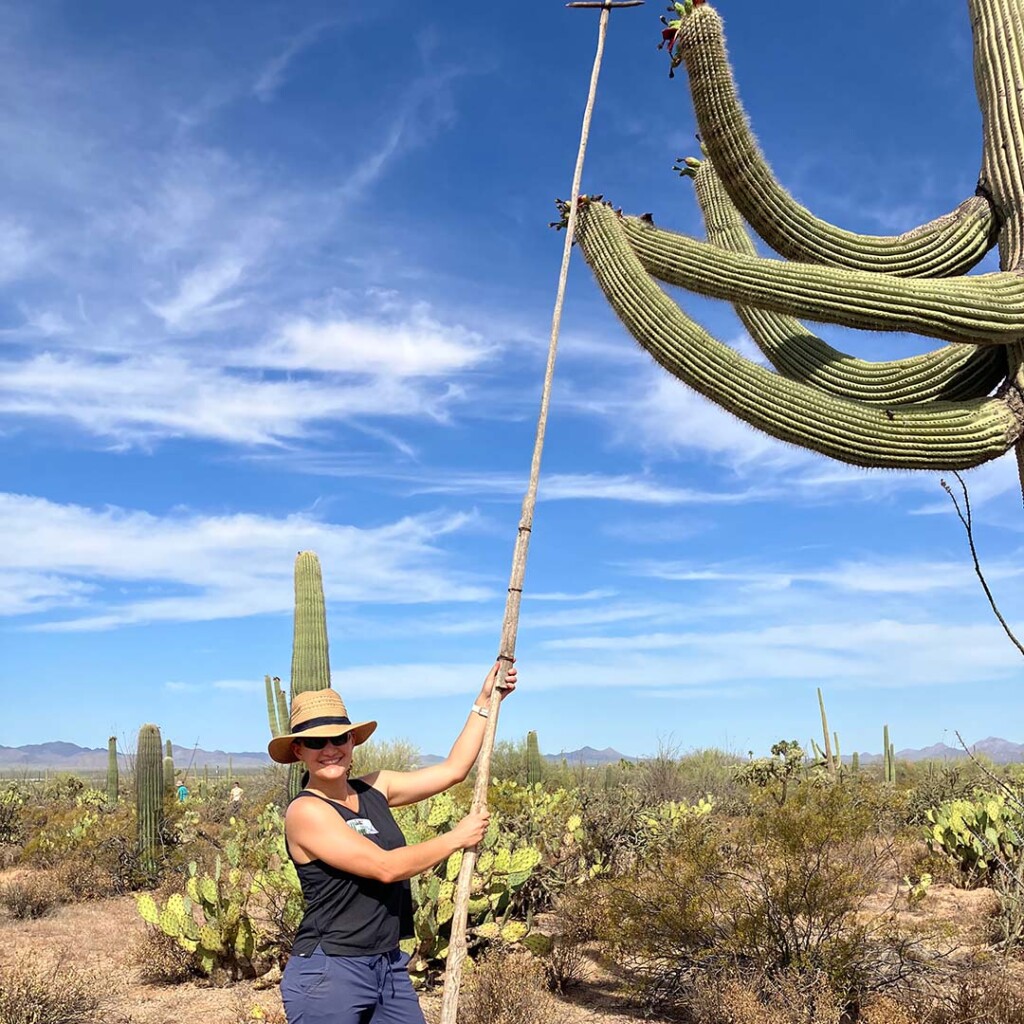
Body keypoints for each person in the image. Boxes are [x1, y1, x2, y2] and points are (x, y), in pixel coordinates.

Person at [269, 660, 517, 1024]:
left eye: (339, 738)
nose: (330, 749)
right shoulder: (306, 812)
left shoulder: (375, 787)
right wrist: (456, 838)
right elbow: (386, 867)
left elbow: (453, 770)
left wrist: (483, 701)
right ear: (298, 752)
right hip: (331, 970)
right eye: (315, 741)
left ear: (352, 740)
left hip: (388, 964)